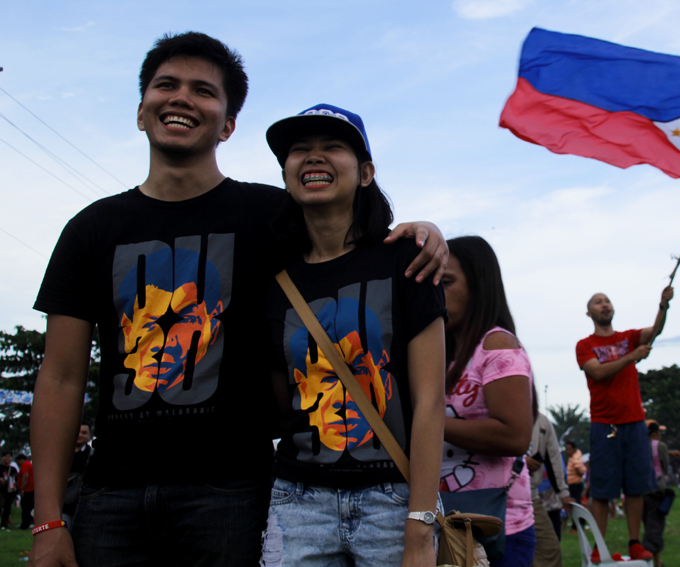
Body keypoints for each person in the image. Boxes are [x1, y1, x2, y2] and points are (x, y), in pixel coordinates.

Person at [30, 32, 447, 567]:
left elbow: (349, 237)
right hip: (113, 494)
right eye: (166, 85)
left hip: (231, 494)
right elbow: (60, 377)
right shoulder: (90, 229)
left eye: (203, 90)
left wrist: (426, 231)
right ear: (140, 111)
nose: (182, 98)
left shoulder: (271, 218)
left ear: (228, 124)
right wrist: (47, 519)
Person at [261, 104, 446, 566]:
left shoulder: (406, 259)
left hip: (394, 499)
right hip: (297, 503)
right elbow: (281, 402)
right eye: (299, 150)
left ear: (366, 172)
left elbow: (430, 400)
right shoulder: (273, 278)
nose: (313, 158)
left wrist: (421, 524)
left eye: (333, 148)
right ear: (285, 172)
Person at [440, 236, 536, 567]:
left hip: (497, 527)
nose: (435, 291)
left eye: (447, 281)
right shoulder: (444, 355)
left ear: (479, 285)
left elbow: (515, 437)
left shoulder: (496, 345)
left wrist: (426, 422)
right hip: (449, 520)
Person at [575, 286, 674, 563]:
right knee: (602, 490)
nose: (604, 304)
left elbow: (656, 330)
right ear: (589, 312)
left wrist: (663, 305)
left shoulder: (628, 337)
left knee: (635, 488)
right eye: (598, 302)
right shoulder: (585, 345)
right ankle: (599, 546)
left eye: (607, 301)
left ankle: (634, 543)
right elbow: (598, 372)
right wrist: (632, 356)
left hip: (634, 422)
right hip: (604, 424)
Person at [526, 397, 571, 567]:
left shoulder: (542, 422)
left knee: (549, 550)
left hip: (529, 495)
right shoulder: (496, 413)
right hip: (495, 493)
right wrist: (521, 460)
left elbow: (554, 460)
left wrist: (564, 493)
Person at [642, 420, 674, 567]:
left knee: (649, 525)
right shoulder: (660, 446)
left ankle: (657, 562)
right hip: (657, 489)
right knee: (655, 527)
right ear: (655, 433)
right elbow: (665, 469)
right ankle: (649, 558)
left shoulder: (640, 446)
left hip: (642, 491)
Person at [61, 423, 93, 529]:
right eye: (77, 432)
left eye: (84, 433)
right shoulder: (63, 453)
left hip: (84, 502)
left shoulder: (92, 454)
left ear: (89, 436)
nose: (79, 435)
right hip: (63, 502)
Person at [565, 440, 586, 533]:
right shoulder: (573, 456)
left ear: (574, 449)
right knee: (576, 504)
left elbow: (578, 468)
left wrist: (580, 475)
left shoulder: (575, 457)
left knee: (575, 505)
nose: (567, 451)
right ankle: (579, 524)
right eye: (566, 449)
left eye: (569, 449)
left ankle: (576, 527)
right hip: (572, 485)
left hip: (575, 485)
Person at [17, 454, 35, 530]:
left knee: (25, 508)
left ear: (20, 460)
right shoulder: (30, 464)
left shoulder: (24, 465)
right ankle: (31, 522)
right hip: (32, 489)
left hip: (27, 489)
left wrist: (21, 488)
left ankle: (25, 524)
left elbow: (25, 476)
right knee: (30, 507)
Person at [0, 452, 16, 530]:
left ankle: (4, 524)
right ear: (2, 458)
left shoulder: (13, 469)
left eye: (9, 456)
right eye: (5, 456)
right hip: (1, 490)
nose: (7, 458)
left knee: (7, 508)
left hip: (10, 491)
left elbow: (16, 479)